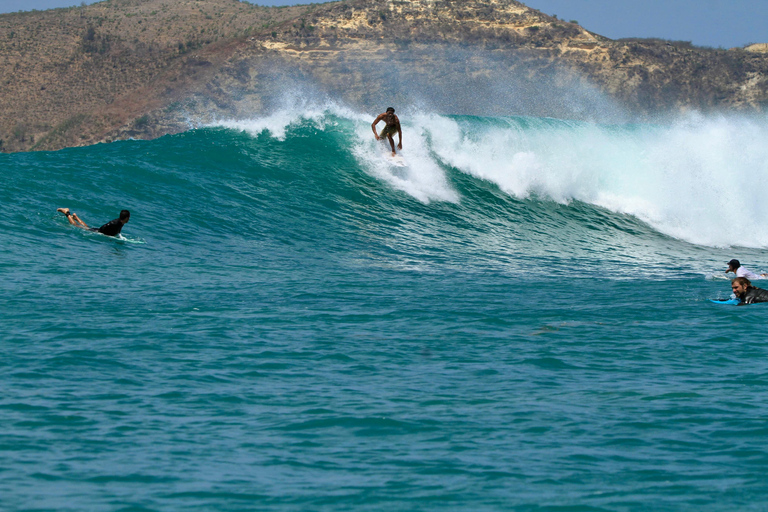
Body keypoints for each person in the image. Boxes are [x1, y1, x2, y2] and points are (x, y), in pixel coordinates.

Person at [58, 208, 130, 237]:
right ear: (126, 218)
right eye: (128, 217)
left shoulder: (121, 222)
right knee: (75, 226)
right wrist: (100, 232)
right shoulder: (115, 223)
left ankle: (75, 217)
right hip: (98, 231)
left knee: (86, 227)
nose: (129, 219)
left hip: (98, 231)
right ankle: (67, 213)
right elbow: (105, 226)